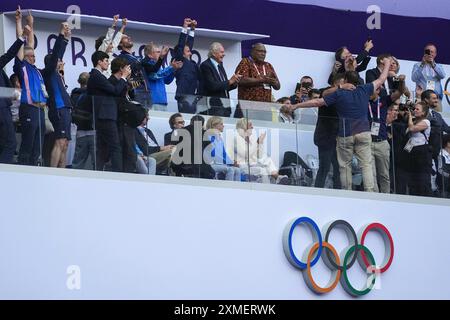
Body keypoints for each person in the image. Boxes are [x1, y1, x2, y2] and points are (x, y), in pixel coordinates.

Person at [292, 57, 392, 192]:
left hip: (345, 134)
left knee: (345, 165)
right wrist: (386, 64)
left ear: (345, 81)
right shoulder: (365, 89)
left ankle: (347, 192)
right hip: (363, 132)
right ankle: (370, 192)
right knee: (367, 165)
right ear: (358, 81)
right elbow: (381, 79)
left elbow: (316, 102)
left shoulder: (339, 93)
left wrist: (296, 105)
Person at [13, 8, 47, 166]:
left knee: (37, 147)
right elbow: (21, 44)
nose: (34, 57)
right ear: (24, 57)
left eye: (34, 55)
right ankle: (23, 171)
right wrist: (19, 22)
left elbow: (30, 44)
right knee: (27, 144)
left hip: (40, 110)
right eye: (31, 55)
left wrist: (31, 24)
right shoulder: (22, 66)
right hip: (29, 108)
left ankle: (35, 171)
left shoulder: (36, 70)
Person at [87, 51, 131, 172]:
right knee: (115, 146)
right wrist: (123, 77)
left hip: (105, 115)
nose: (108, 63)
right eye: (106, 60)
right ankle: (118, 173)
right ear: (99, 62)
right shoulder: (96, 76)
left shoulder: (99, 76)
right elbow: (114, 90)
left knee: (104, 147)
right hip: (104, 115)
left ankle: (99, 170)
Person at [368, 74, 407, 193]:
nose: (368, 92)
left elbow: (400, 92)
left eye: (372, 90)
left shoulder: (384, 101)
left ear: (378, 90)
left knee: (384, 174)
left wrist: (401, 81)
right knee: (371, 176)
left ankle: (385, 198)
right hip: (368, 143)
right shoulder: (363, 101)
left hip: (382, 142)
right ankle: (373, 198)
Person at [42, 22, 72, 168]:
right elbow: (55, 55)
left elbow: (59, 54)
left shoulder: (57, 74)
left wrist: (66, 38)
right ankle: (53, 171)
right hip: (58, 109)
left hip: (65, 109)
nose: (62, 62)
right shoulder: (47, 73)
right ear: (52, 63)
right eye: (59, 61)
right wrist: (61, 34)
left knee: (65, 143)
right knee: (60, 141)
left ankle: (63, 173)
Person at [0, 6, 26, 164]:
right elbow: (9, 55)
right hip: (1, 110)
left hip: (4, 108)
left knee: (5, 144)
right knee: (10, 143)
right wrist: (20, 95)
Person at [233, 118, 288, 184]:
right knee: (263, 170)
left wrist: (260, 143)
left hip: (252, 164)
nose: (252, 127)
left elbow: (260, 155)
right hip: (243, 166)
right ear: (244, 127)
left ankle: (277, 177)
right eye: (250, 125)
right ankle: (270, 185)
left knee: (267, 160)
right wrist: (258, 143)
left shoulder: (250, 139)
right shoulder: (237, 140)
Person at [200, 42, 241, 116]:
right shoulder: (205, 65)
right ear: (214, 53)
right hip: (214, 107)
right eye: (221, 52)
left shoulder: (220, 65)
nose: (224, 54)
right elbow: (212, 86)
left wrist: (235, 82)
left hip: (225, 107)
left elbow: (224, 87)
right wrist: (229, 81)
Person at [400, 102, 432, 196]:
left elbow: (412, 128)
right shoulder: (414, 120)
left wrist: (410, 116)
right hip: (411, 152)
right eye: (414, 109)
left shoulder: (426, 122)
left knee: (421, 180)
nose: (414, 111)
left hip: (422, 153)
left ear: (423, 113)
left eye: (417, 109)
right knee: (412, 180)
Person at [173, 18, 201, 114]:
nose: (190, 53)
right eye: (188, 51)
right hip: (183, 97)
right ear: (182, 54)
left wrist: (192, 29)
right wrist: (185, 27)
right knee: (185, 120)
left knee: (193, 122)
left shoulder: (192, 64)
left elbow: (188, 45)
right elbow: (181, 45)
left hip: (193, 97)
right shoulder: (180, 61)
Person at [142, 42, 182, 110]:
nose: (160, 54)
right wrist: (171, 68)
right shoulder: (146, 65)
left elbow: (167, 80)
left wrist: (174, 69)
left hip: (163, 101)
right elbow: (155, 76)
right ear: (150, 55)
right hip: (152, 101)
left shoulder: (158, 67)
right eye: (157, 52)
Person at [205, 116, 242, 181]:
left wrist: (232, 161)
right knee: (230, 169)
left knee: (238, 170)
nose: (223, 126)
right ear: (214, 125)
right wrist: (230, 162)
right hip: (212, 164)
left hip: (221, 164)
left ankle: (237, 189)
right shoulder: (209, 137)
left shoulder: (220, 139)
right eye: (221, 124)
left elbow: (224, 153)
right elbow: (214, 154)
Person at [412, 44, 446, 112]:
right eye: (428, 51)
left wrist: (433, 65)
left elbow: (442, 76)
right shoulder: (417, 65)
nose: (430, 53)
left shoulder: (438, 66)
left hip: (435, 99)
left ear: (435, 54)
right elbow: (414, 78)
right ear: (424, 53)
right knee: (420, 119)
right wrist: (422, 64)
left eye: (432, 52)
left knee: (437, 120)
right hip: (422, 98)